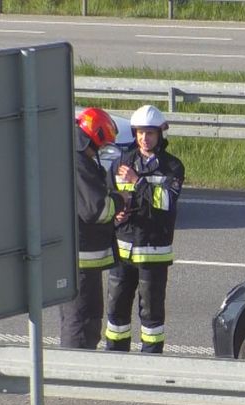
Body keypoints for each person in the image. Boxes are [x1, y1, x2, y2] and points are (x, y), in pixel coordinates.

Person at [104, 104, 185, 354]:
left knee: (151, 315)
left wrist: (137, 182)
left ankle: (150, 362)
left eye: (149, 133)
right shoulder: (121, 163)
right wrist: (115, 212)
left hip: (153, 252)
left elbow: (166, 202)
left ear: (160, 134)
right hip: (122, 251)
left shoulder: (172, 167)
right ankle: (115, 359)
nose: (144, 138)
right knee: (116, 311)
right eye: (139, 132)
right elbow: (107, 197)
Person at [59, 107, 124, 349]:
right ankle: (75, 374)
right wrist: (119, 201)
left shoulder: (75, 159)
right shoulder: (79, 165)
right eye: (100, 146)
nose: (99, 152)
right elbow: (96, 210)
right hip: (81, 265)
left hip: (82, 263)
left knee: (84, 320)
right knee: (81, 323)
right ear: (91, 138)